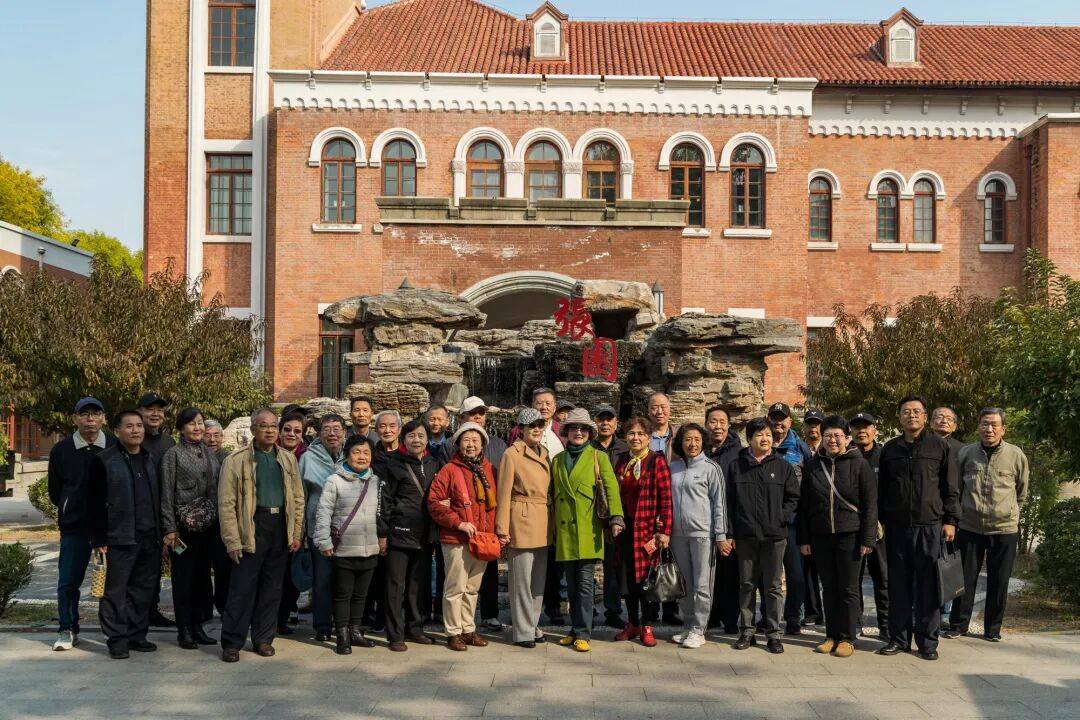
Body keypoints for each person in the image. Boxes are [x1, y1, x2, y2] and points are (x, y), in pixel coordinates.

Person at [217, 408, 305, 663]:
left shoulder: (287, 459)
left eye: (273, 426)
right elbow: (226, 504)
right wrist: (232, 540)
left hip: (279, 527)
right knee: (241, 589)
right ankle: (232, 642)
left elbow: (298, 498)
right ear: (253, 429)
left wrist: (295, 532)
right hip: (251, 526)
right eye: (263, 426)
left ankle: (263, 638)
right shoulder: (235, 460)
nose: (269, 430)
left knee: (272, 588)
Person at [877, 395, 959, 661]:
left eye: (916, 411)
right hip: (897, 528)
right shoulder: (890, 449)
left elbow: (950, 488)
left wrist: (950, 520)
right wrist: (879, 520)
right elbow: (882, 489)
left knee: (928, 586)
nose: (911, 415)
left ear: (925, 416)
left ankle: (927, 642)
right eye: (906, 411)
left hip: (930, 527)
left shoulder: (939, 446)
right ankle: (898, 639)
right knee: (898, 585)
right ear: (899, 417)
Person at [944, 408, 1029, 643]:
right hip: (970, 526)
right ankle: (958, 625)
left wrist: (1010, 512)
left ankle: (992, 628)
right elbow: (956, 488)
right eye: (984, 424)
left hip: (1004, 529)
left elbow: (1021, 491)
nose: (989, 429)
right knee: (965, 579)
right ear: (978, 427)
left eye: (994, 425)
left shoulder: (1016, 455)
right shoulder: (966, 453)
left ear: (1003, 429)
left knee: (999, 580)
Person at [797, 415, 877, 658]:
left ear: (847, 438)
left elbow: (869, 504)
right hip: (821, 535)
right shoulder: (813, 465)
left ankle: (847, 637)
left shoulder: (859, 464)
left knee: (848, 589)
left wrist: (868, 539)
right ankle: (831, 635)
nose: (832, 440)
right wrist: (804, 538)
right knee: (829, 587)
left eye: (837, 436)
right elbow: (804, 505)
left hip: (850, 535)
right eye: (828, 435)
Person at [88, 410, 162, 659]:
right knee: (115, 592)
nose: (136, 430)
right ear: (117, 430)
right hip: (119, 538)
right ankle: (117, 638)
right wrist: (99, 538)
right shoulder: (104, 460)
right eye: (129, 426)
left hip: (149, 536)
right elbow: (94, 503)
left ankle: (137, 635)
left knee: (143, 589)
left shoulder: (149, 458)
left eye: (139, 425)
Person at [723, 417, 799, 654]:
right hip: (745, 536)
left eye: (767, 434)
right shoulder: (737, 466)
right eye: (759, 435)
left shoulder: (782, 466)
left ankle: (774, 633)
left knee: (773, 586)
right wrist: (731, 532)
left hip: (774, 537)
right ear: (749, 439)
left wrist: (781, 518)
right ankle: (747, 631)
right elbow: (729, 503)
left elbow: (793, 498)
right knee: (747, 584)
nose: (764, 439)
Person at [551, 408, 625, 652]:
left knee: (584, 584)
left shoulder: (598, 457)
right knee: (571, 585)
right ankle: (574, 630)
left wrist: (616, 518)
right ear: (567, 431)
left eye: (583, 429)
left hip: (587, 529)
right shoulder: (557, 460)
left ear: (590, 433)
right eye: (574, 428)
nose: (578, 432)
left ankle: (584, 632)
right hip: (565, 531)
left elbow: (612, 489)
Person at [48, 397, 116, 651]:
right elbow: (56, 491)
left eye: (95, 413)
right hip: (75, 527)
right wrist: (70, 506)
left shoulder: (114, 445)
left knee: (114, 582)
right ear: (75, 419)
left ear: (103, 418)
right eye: (84, 414)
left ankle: (115, 630)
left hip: (109, 528)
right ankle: (67, 628)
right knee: (68, 581)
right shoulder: (61, 449)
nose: (90, 419)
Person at [428, 422, 500, 651]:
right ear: (458, 444)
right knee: (455, 588)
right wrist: (458, 522)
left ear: (483, 445)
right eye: (466, 440)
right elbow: (434, 502)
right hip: (456, 539)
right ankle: (453, 632)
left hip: (483, 538)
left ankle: (468, 629)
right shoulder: (450, 470)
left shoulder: (489, 469)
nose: (471, 445)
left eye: (475, 440)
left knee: (472, 588)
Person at [313, 434, 383, 654]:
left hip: (369, 547)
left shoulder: (375, 481)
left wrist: (382, 539)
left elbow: (381, 513)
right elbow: (323, 512)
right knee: (343, 594)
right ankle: (342, 634)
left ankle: (355, 631)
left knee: (361, 595)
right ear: (347, 454)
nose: (361, 457)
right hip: (344, 549)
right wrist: (324, 541)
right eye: (356, 452)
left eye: (366, 453)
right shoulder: (334, 481)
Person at [160, 407, 222, 650]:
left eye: (200, 423)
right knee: (183, 578)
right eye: (192, 423)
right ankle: (184, 629)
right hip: (182, 530)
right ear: (181, 428)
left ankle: (198, 626)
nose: (198, 428)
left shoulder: (208, 453)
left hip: (207, 528)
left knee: (202, 578)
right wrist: (169, 529)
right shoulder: (173, 455)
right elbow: (166, 493)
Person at [378, 418, 439, 651]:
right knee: (395, 585)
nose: (416, 440)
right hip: (399, 533)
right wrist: (382, 532)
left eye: (421, 436)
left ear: (427, 439)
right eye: (411, 436)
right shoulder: (394, 464)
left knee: (417, 584)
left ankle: (415, 628)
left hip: (424, 534)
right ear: (403, 439)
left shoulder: (434, 463)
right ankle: (395, 634)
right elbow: (384, 500)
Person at [611, 416, 672, 647]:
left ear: (648, 438)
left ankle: (647, 625)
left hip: (648, 532)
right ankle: (633, 623)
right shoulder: (621, 461)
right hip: (625, 531)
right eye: (631, 433)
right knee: (628, 582)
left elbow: (666, 500)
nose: (635, 438)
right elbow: (613, 495)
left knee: (647, 581)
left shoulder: (657, 461)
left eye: (640, 434)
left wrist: (665, 531)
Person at [495, 408, 552, 648]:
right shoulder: (512, 454)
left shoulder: (545, 453)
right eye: (532, 426)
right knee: (521, 581)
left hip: (544, 520)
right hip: (522, 519)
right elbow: (504, 492)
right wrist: (502, 528)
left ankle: (532, 624)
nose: (537, 429)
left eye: (540, 425)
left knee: (538, 582)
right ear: (521, 429)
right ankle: (522, 631)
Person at [668, 423, 727, 649]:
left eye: (696, 439)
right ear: (680, 443)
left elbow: (719, 504)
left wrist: (720, 535)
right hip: (677, 535)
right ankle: (688, 625)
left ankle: (699, 629)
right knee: (684, 583)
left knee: (702, 584)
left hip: (703, 534)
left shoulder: (711, 468)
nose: (692, 444)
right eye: (687, 439)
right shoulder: (673, 467)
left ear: (703, 442)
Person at [509, 388, 565, 623]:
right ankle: (524, 620)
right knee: (526, 569)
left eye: (548, 403)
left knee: (551, 564)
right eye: (539, 402)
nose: (544, 406)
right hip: (526, 509)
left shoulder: (562, 432)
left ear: (555, 407)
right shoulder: (517, 437)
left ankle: (550, 608)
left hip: (554, 506)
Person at [766, 401, 820, 634]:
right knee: (768, 576)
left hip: (794, 522)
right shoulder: (762, 443)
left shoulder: (800, 448)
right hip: (766, 521)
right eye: (774, 417)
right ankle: (768, 617)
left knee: (796, 575)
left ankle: (793, 617)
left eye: (782, 418)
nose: (778, 422)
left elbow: (811, 484)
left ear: (790, 421)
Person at [460, 396, 507, 632]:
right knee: (460, 572)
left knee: (489, 566)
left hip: (489, 515)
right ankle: (458, 620)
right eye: (472, 413)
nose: (477, 417)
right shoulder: (453, 444)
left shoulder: (498, 444)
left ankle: (490, 614)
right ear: (462, 417)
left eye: (481, 413)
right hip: (463, 517)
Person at [299, 414, 347, 642]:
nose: (332, 433)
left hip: (347, 528)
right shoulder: (308, 458)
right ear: (319, 433)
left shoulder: (352, 454)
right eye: (327, 429)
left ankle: (344, 624)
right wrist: (300, 531)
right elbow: (301, 496)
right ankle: (322, 626)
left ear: (344, 432)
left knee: (344, 579)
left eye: (337, 429)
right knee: (322, 579)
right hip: (318, 528)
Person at [137, 391, 177, 629]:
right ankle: (135, 615)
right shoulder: (132, 439)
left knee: (155, 569)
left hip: (162, 515)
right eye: (150, 409)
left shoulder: (168, 442)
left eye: (159, 410)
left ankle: (152, 611)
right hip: (137, 516)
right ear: (139, 412)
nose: (155, 414)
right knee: (136, 571)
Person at [849, 412, 889, 638]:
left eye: (866, 427)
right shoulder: (846, 456)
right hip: (853, 526)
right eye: (857, 427)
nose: (861, 431)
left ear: (874, 430)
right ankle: (854, 623)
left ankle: (885, 624)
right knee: (852, 578)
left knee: (882, 577)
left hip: (879, 528)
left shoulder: (884, 456)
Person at [704, 405, 742, 633]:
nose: (717, 426)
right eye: (713, 421)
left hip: (728, 524)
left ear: (729, 425)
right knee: (708, 574)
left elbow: (740, 495)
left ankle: (730, 618)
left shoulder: (738, 453)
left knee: (730, 574)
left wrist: (732, 531)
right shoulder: (700, 450)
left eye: (722, 422)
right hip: (703, 523)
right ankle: (711, 616)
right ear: (706, 424)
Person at [365, 409, 402, 631]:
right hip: (372, 522)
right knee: (373, 573)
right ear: (376, 429)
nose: (387, 430)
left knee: (393, 576)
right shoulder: (370, 456)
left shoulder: (406, 456)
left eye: (392, 426)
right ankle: (369, 616)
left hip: (400, 524)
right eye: (382, 426)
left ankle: (388, 618)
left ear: (399, 429)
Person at [593, 403, 629, 629]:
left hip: (617, 515)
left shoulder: (625, 448)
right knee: (586, 565)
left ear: (616, 423)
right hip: (592, 514)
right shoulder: (588, 446)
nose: (605, 423)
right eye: (601, 419)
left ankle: (613, 611)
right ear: (595, 422)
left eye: (609, 419)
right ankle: (586, 610)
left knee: (613, 566)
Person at [274, 411, 308, 635]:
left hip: (297, 523)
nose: (291, 434)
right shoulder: (269, 453)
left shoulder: (307, 457)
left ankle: (283, 616)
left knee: (291, 576)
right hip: (271, 522)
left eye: (297, 431)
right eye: (287, 429)